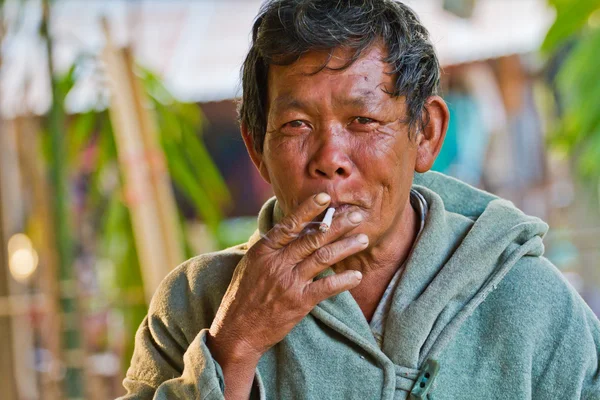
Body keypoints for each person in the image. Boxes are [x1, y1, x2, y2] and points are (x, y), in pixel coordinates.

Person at [119, 1, 600, 399]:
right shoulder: (193, 302)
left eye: (364, 121)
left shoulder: (531, 302)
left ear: (426, 133)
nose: (331, 158)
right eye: (296, 126)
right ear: (256, 150)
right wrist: (234, 346)